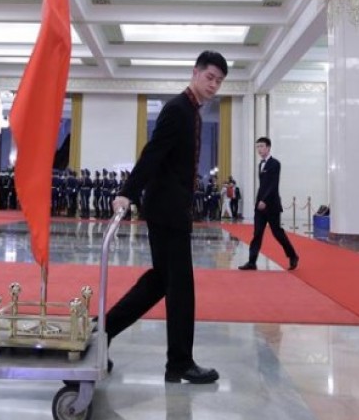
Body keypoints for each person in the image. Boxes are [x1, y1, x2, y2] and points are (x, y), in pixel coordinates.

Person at [106, 50, 228, 385]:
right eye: (210, 77)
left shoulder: (192, 112)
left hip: (173, 209)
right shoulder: (178, 109)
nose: (214, 85)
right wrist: (127, 192)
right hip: (167, 211)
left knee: (160, 281)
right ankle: (180, 363)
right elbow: (153, 154)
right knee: (181, 288)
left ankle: (101, 332)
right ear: (195, 73)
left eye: (219, 80)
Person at [239, 137, 300, 271]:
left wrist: (264, 200)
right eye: (257, 147)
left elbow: (273, 185)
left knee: (277, 233)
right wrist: (258, 202)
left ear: (268, 147)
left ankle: (293, 255)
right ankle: (252, 262)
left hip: (271, 205)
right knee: (257, 234)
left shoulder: (275, 164)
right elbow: (262, 186)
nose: (259, 149)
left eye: (261, 146)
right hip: (259, 206)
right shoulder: (260, 164)